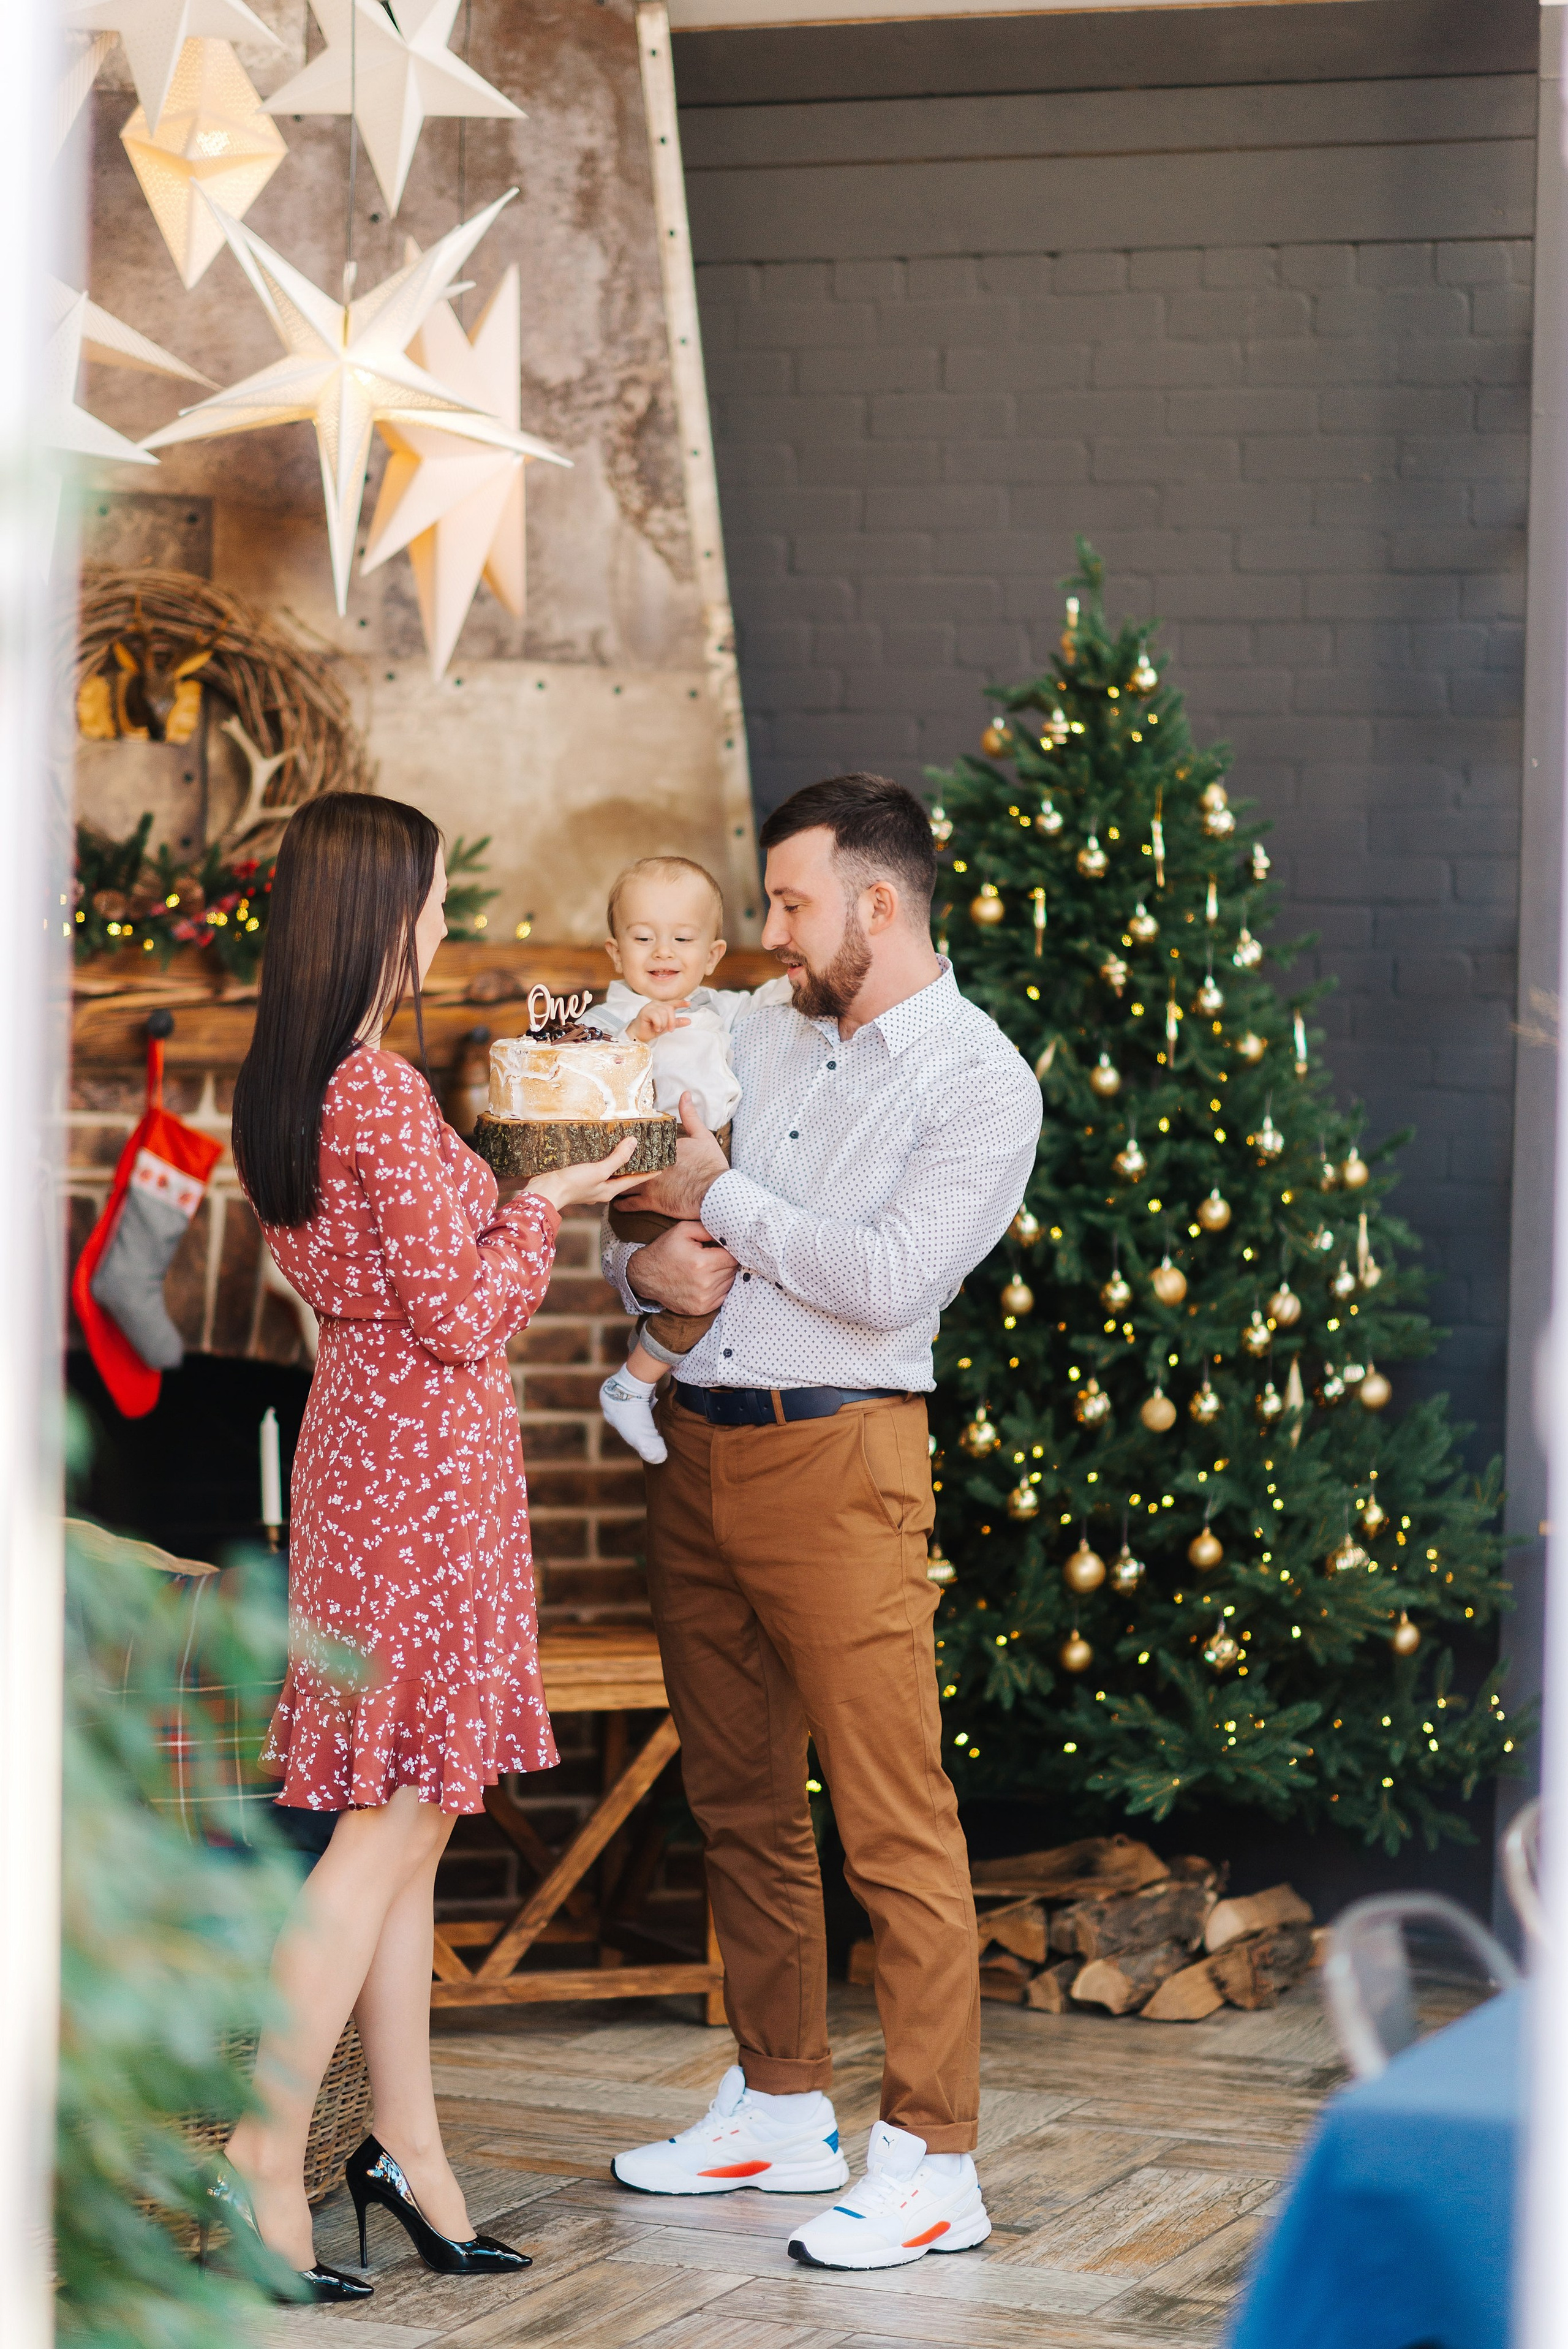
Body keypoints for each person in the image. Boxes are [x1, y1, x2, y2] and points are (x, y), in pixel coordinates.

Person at [602, 773, 1043, 2272]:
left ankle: (933, 2154)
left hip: (843, 1461)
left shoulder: (980, 1080)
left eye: (789, 902)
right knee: (734, 1798)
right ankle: (781, 2100)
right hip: (696, 1446)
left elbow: (883, 1277)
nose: (765, 929)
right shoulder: (758, 1025)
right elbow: (648, 1202)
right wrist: (650, 1273)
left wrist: (724, 1202)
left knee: (889, 1813)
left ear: (875, 902)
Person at [223, 793, 642, 2301]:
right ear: (371, 914)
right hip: (418, 1487)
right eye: (426, 896)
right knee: (388, 1825)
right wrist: (535, 1195)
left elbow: (398, 1293)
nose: (441, 921)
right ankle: (266, 2153)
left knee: (412, 1823)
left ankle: (402, 2143)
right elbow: (464, 1313)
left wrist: (517, 1191)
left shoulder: (288, 1088)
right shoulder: (373, 1095)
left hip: (366, 1464)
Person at [590, 853, 792, 1465]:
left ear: (711, 954)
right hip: (649, 1174)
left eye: (683, 938)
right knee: (698, 1289)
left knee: (714, 1275)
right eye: (643, 937)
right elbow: (589, 1075)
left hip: (715, 1158)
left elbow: (773, 997)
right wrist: (635, 1039)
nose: (663, 951)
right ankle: (632, 1383)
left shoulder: (719, 1009)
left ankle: (641, 1375)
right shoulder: (610, 1018)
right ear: (614, 951)